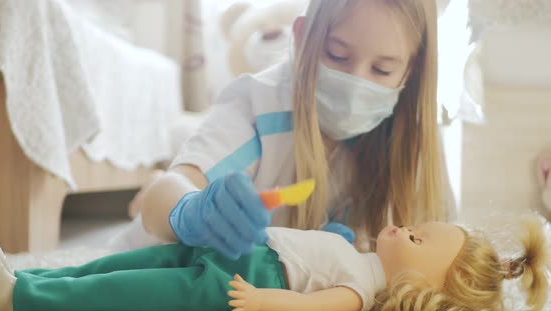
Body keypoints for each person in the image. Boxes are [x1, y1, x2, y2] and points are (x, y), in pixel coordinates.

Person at [136, 0, 452, 258]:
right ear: (301, 38)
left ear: (412, 69)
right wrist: (193, 211)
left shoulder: (413, 140)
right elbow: (166, 195)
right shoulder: (257, 103)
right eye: (336, 54)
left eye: (382, 69)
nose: (355, 83)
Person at [0, 217, 549, 311]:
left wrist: (258, 302)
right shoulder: (361, 256)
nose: (404, 228)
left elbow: (312, 307)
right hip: (234, 249)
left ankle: (18, 297)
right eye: (416, 224)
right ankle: (42, 278)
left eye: (418, 238)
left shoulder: (363, 291)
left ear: (421, 286)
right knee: (121, 261)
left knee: (129, 289)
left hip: (235, 284)